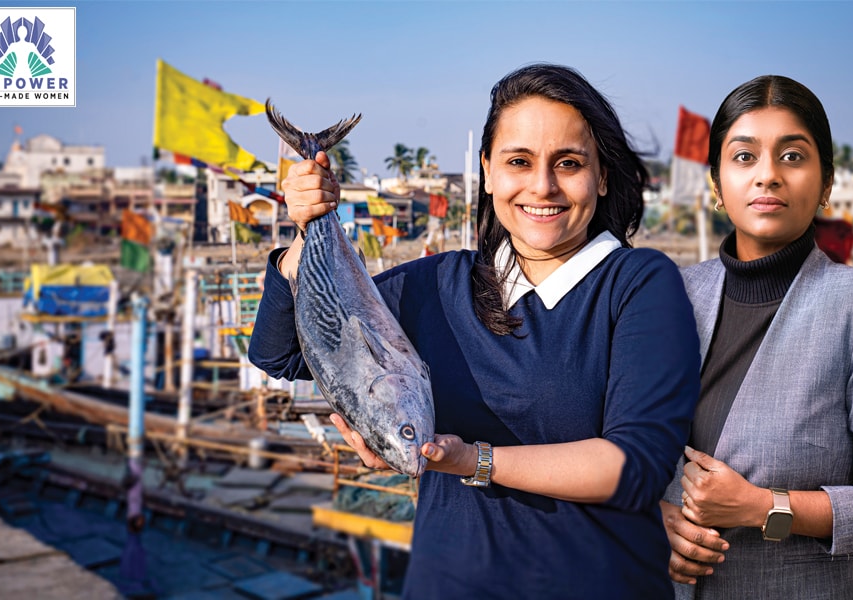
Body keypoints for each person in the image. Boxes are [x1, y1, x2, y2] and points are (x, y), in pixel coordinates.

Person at [250, 63, 701, 599]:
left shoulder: (638, 283)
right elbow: (280, 355)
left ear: (602, 175)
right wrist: (308, 228)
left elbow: (637, 467)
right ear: (487, 171)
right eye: (519, 161)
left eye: (569, 163)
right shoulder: (437, 284)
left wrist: (473, 459)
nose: (543, 185)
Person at [661, 75, 853, 599]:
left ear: (826, 183)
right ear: (715, 184)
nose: (767, 176)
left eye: (793, 157)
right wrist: (657, 517)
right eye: (744, 157)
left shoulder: (852, 306)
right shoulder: (673, 295)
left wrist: (763, 507)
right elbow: (621, 447)